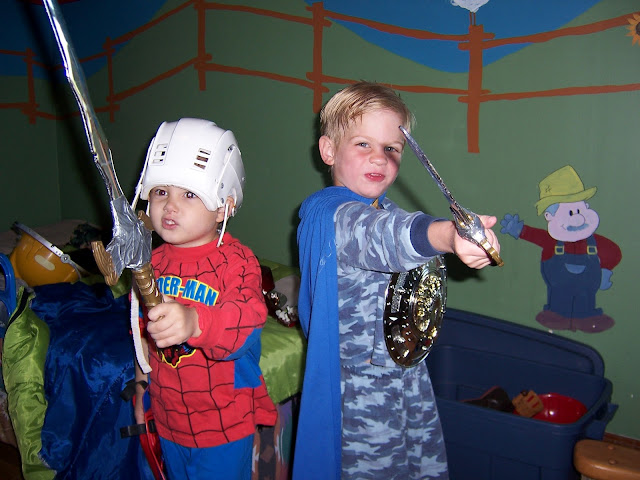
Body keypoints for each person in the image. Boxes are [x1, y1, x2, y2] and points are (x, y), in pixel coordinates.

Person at [294, 82, 500, 480]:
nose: (380, 157)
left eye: (392, 148)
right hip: (358, 391)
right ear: (328, 150)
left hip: (403, 375)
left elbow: (399, 230)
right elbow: (385, 237)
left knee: (416, 462)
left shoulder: (383, 208)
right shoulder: (332, 215)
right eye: (363, 144)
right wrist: (448, 235)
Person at [131, 118, 276, 480]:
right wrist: (141, 385)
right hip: (168, 418)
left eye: (189, 194)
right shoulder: (151, 264)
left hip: (223, 422)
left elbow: (246, 323)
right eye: (161, 192)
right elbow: (142, 333)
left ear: (223, 207)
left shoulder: (237, 262)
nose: (170, 206)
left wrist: (194, 322)